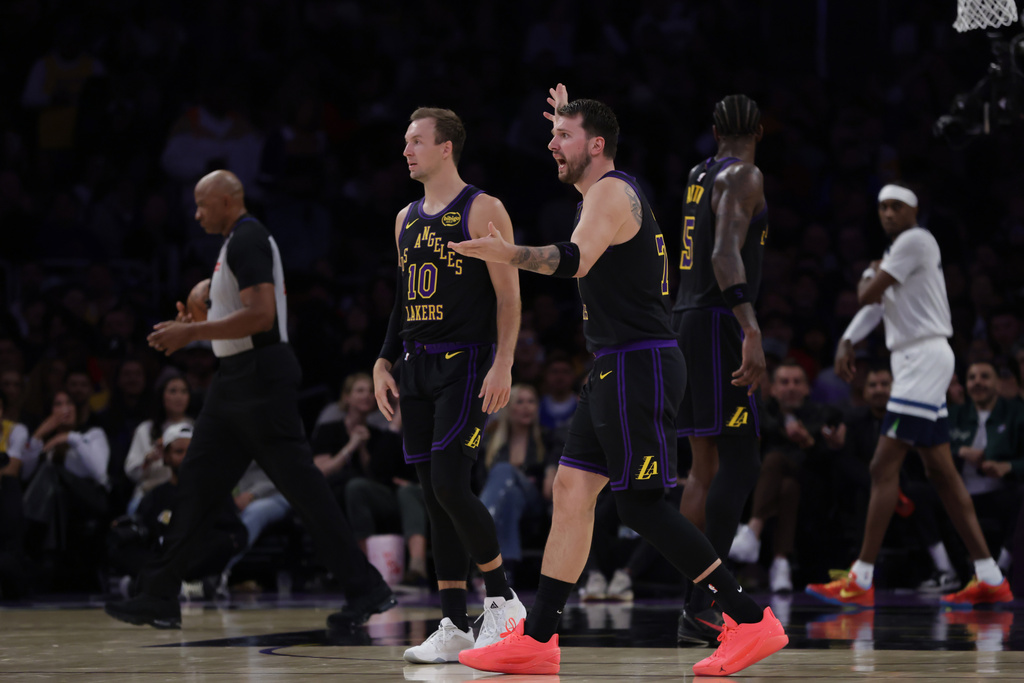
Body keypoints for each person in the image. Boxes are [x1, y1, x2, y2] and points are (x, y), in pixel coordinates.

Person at [451, 85, 787, 677]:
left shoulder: (610, 193)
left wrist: (506, 253)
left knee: (641, 504)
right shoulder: (602, 193)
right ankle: (539, 636)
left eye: (564, 136)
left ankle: (750, 619)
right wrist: (563, 112)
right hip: (614, 364)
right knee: (572, 492)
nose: (552, 144)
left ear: (597, 144)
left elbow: (573, 260)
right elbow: (587, 237)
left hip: (640, 365)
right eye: (551, 134)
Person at [104, 169, 395, 630]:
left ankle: (367, 588)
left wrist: (192, 332)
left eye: (201, 205)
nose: (196, 214)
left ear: (225, 200)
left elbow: (261, 316)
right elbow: (235, 310)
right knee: (197, 484)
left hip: (260, 379)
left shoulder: (248, 238)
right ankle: (158, 593)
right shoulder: (231, 247)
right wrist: (202, 308)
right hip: (236, 379)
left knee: (305, 491)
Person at [808, 184, 1012, 607]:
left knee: (883, 464)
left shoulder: (915, 241)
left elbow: (866, 293)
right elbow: (877, 306)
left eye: (895, 206)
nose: (887, 213)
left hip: (923, 359)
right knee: (941, 472)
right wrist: (847, 340)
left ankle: (861, 579)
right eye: (881, 207)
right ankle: (990, 575)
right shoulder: (898, 258)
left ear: (914, 211)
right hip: (915, 360)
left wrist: (869, 271)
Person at [373, 108, 525, 664]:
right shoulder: (404, 218)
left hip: (466, 363)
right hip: (414, 365)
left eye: (416, 141)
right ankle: (454, 623)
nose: (406, 149)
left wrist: (503, 364)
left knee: (450, 485)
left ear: (445, 149)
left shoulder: (483, 208)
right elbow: (401, 300)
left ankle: (504, 597)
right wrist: (383, 360)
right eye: (405, 140)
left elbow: (509, 299)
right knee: (432, 498)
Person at [671, 93, 768, 646]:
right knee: (742, 460)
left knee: (703, 466)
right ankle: (705, 601)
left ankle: (696, 600)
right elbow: (724, 254)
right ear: (760, 130)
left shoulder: (696, 173)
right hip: (715, 322)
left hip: (687, 316)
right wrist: (750, 327)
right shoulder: (746, 176)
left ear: (714, 129)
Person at [729, 359, 845, 591]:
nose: (790, 387)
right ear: (772, 388)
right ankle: (781, 564)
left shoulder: (823, 414)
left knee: (776, 461)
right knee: (786, 486)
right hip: (768, 490)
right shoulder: (760, 413)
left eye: (796, 382)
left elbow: (830, 461)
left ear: (807, 388)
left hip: (813, 487)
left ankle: (753, 530)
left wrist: (810, 443)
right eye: (784, 382)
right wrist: (791, 435)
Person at [478, 384, 561, 578]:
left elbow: (549, 490)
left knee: (504, 469)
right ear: (508, 408)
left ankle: (481, 524)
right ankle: (506, 570)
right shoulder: (491, 442)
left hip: (536, 504)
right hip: (509, 504)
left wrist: (550, 471)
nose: (526, 407)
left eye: (531, 402)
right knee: (511, 496)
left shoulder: (549, 437)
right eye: (520, 402)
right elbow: (483, 483)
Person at [123, 373, 192, 514]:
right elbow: (131, 472)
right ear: (162, 395)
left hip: (186, 495)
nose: (179, 396)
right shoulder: (146, 429)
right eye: (173, 391)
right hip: (150, 493)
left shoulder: (197, 428)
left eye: (184, 391)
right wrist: (148, 460)